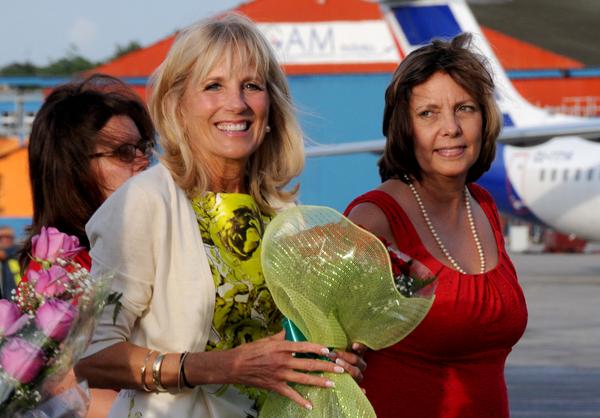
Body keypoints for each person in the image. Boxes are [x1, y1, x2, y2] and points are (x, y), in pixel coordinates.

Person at [75, 14, 365, 418]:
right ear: (178, 104)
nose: (237, 103)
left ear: (271, 105)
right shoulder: (143, 202)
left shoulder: (286, 214)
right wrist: (224, 367)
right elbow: (92, 354)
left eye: (252, 86)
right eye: (214, 86)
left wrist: (327, 356)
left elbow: (288, 344)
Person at [344, 33, 528, 418]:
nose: (451, 128)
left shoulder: (484, 206)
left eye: (465, 108)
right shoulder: (374, 219)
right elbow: (331, 350)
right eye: (428, 113)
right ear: (405, 128)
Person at [20, 73, 156, 418]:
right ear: (74, 171)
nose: (142, 162)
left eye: (145, 148)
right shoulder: (58, 273)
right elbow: (64, 393)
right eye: (124, 152)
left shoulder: (140, 245)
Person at [0, 226, 21, 300]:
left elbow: (2, 255)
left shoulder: (16, 249)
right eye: (1, 237)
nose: (4, 240)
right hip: (8, 293)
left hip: (17, 291)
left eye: (7, 236)